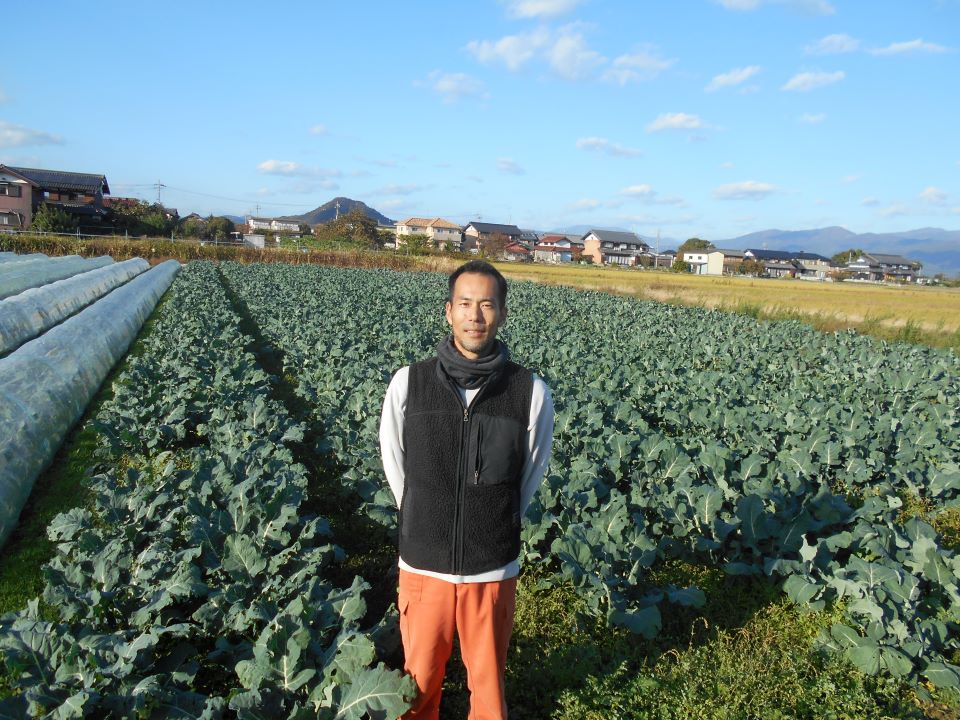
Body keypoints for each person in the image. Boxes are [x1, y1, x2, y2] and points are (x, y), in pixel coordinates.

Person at [379, 260, 554, 719]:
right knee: (415, 686)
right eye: (465, 304)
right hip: (423, 565)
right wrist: (420, 512)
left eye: (486, 304)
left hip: (491, 568)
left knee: (489, 689)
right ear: (448, 311)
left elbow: (528, 478)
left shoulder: (530, 392)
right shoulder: (407, 384)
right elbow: (395, 465)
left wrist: (494, 518)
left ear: (501, 314)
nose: (475, 315)